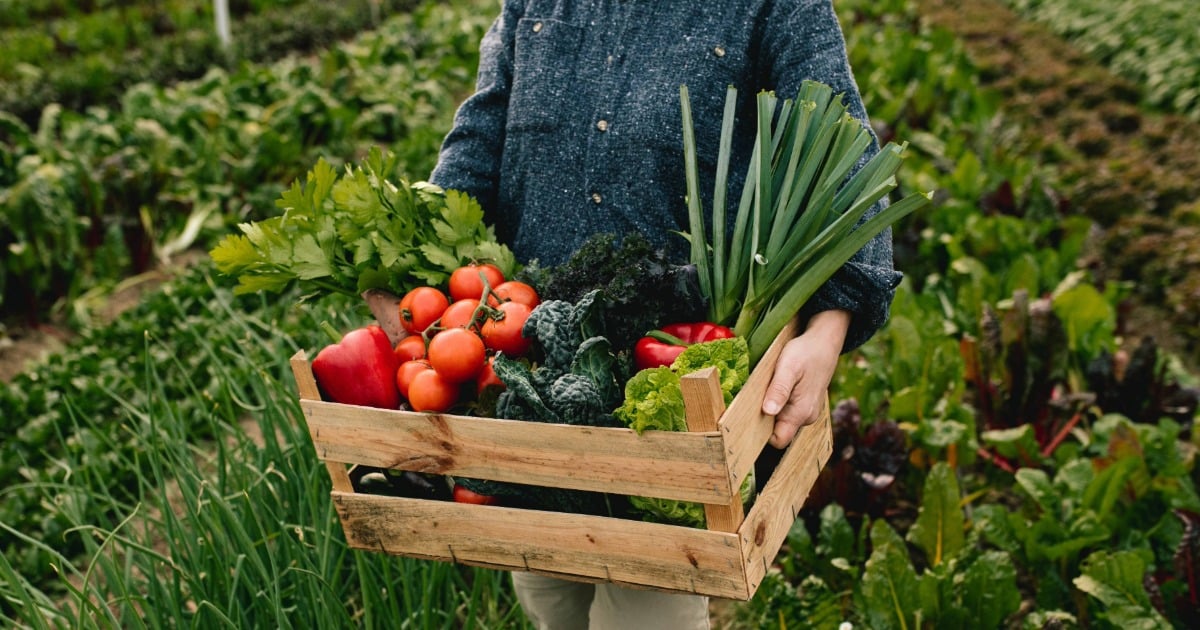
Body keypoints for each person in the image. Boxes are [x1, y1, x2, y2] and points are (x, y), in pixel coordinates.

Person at [429, 1, 900, 628]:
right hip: (530, 367)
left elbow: (844, 152)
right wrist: (417, 251)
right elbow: (482, 129)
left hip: (670, 391)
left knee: (644, 613)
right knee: (550, 599)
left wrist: (829, 328)